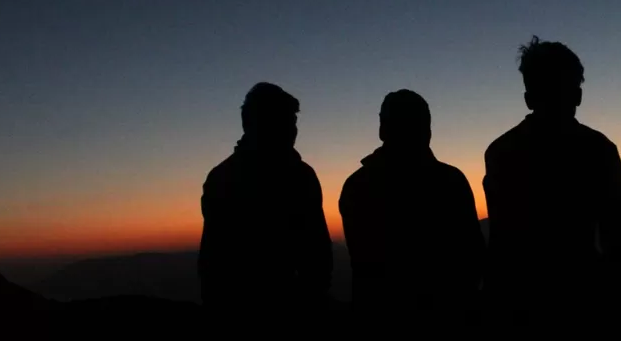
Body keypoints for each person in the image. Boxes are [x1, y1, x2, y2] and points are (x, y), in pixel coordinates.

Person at [483, 37, 621, 322]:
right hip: (586, 298)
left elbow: (501, 242)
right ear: (578, 95)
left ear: (528, 99)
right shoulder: (599, 149)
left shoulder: (501, 152)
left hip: (519, 300)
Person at [339, 90, 484, 322]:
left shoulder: (358, 185)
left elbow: (365, 262)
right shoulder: (451, 181)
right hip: (448, 313)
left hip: (379, 314)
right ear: (427, 131)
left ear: (382, 130)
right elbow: (472, 254)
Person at [198, 82, 333, 320]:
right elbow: (316, 253)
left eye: (292, 123)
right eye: (283, 122)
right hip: (271, 309)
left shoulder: (221, 176)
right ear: (254, 125)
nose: (292, 131)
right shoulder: (298, 176)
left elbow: (316, 251)